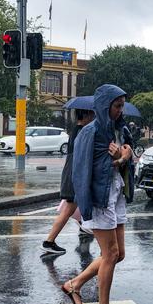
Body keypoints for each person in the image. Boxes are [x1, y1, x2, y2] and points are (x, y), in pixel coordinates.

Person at [62, 84, 133, 304]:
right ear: (105, 105)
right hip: (99, 198)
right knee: (110, 254)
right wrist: (86, 205)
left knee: (118, 254)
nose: (120, 110)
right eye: (116, 105)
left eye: (122, 105)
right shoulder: (90, 132)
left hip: (117, 194)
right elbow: (80, 171)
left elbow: (127, 158)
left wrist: (125, 155)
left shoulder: (119, 129)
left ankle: (75, 283)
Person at [41, 108, 96, 254]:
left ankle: (84, 227)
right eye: (91, 114)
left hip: (72, 172)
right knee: (68, 210)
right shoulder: (82, 131)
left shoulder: (77, 130)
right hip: (74, 174)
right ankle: (49, 241)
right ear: (85, 115)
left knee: (72, 207)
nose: (93, 117)